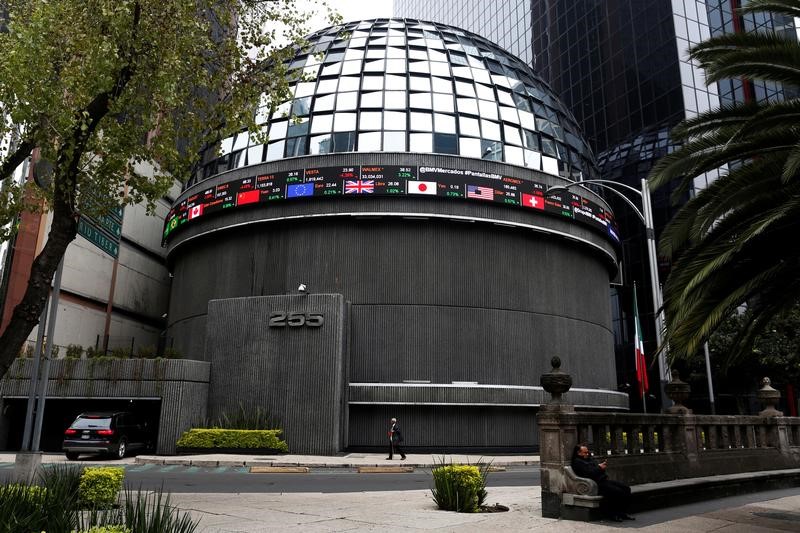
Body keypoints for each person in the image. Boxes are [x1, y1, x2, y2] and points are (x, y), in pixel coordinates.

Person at [570, 443, 633, 522]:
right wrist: (600, 468)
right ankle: (613, 514)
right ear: (578, 453)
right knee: (617, 492)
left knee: (626, 489)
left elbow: (596, 469)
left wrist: (601, 467)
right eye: (585, 452)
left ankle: (623, 513)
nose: (587, 454)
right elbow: (589, 474)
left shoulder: (589, 459)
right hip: (595, 484)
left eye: (587, 452)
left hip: (603, 480)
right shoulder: (577, 462)